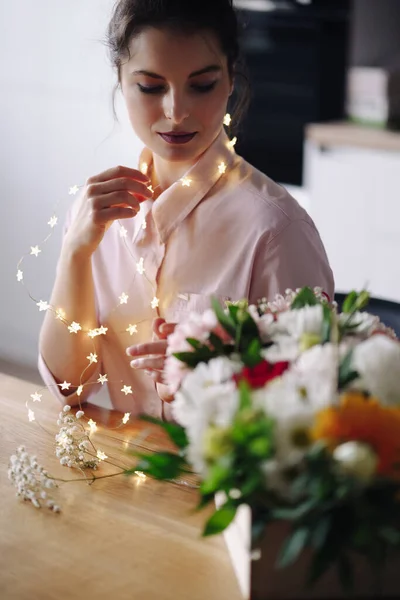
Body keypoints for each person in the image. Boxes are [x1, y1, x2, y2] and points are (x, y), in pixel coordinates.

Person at [38, 0, 334, 419]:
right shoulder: (97, 216)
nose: (176, 112)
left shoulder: (275, 230)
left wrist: (219, 376)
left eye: (202, 84)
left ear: (231, 78)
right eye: (151, 87)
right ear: (121, 81)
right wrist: (75, 252)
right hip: (120, 475)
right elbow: (71, 388)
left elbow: (318, 408)